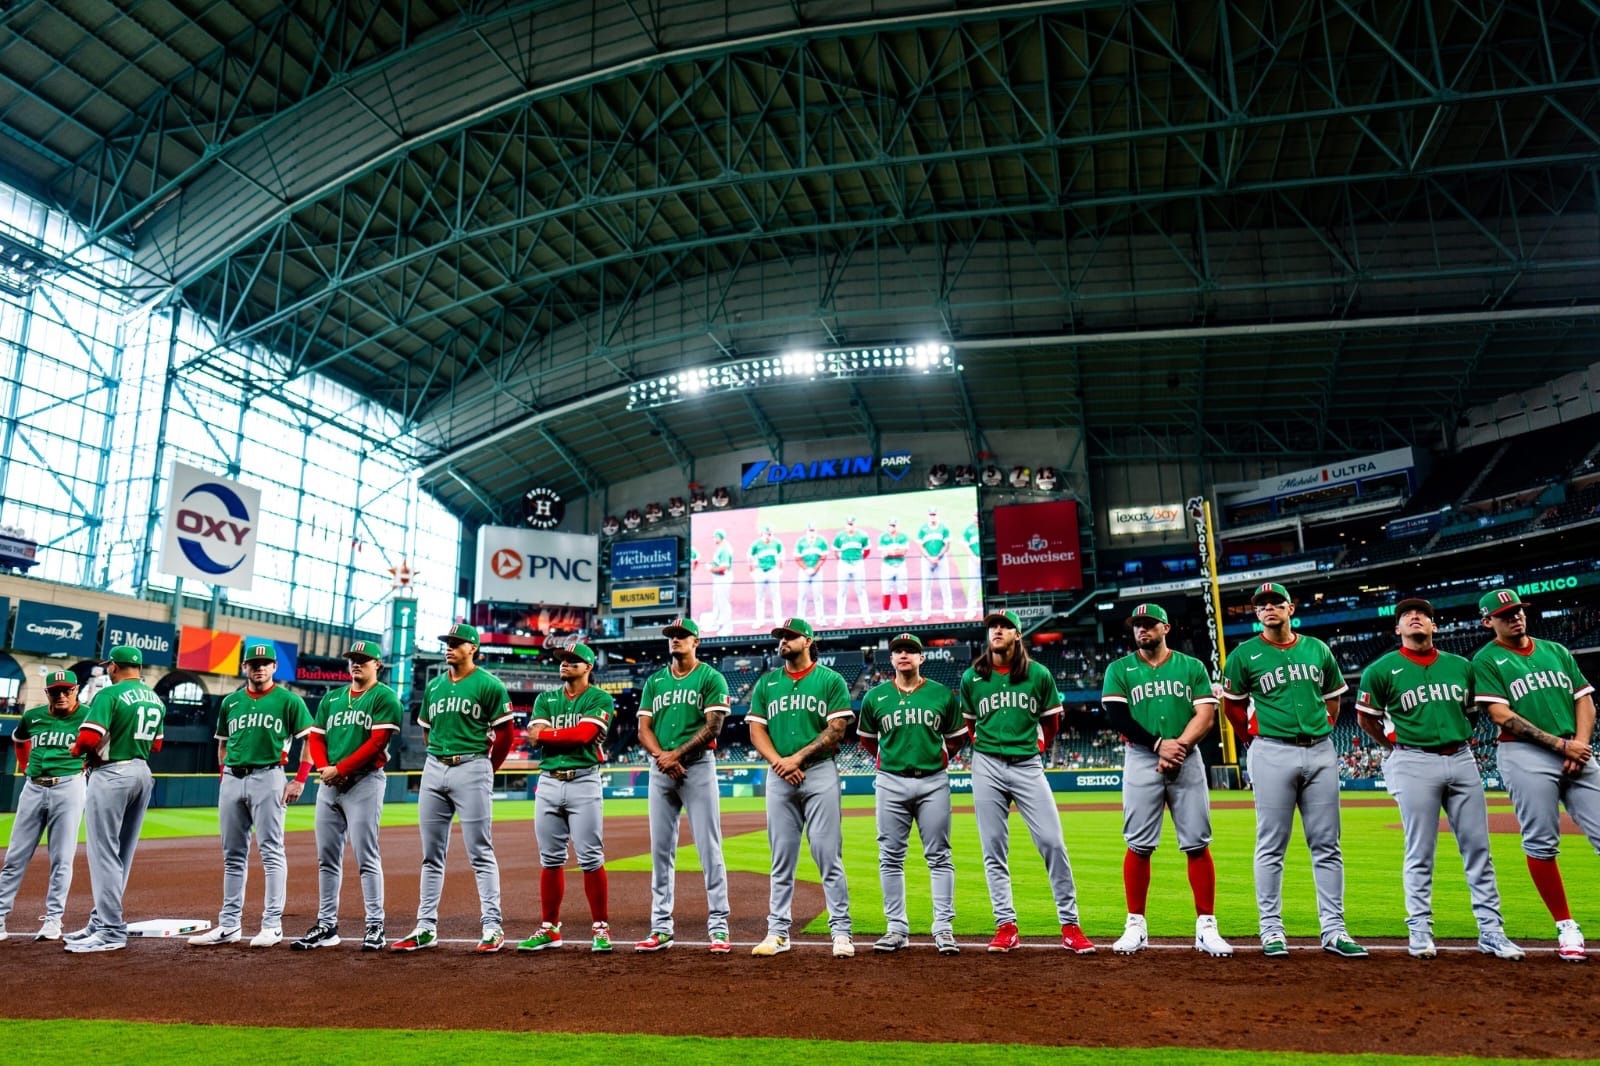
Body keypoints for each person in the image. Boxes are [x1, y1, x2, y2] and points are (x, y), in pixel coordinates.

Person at [1355, 598, 1523, 960]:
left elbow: (1471, 714)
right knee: (1420, 850)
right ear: (1398, 628)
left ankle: (1492, 931)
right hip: (1412, 758)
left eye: (1424, 615)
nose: (1415, 617)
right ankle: (1419, 930)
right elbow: (1366, 718)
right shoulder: (1380, 670)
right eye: (1407, 615)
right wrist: (1393, 748)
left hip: (1461, 757)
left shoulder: (1461, 666)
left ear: (1435, 626)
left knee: (1478, 849)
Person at [1221, 582, 1364, 958]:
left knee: (1327, 844)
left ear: (1290, 608)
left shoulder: (1317, 649)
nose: (1269, 608)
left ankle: (1334, 930)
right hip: (1271, 749)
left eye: (1276, 603)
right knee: (1271, 844)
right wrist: (1253, 742)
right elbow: (1233, 706)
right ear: (1257, 614)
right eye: (1262, 605)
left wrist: (1324, 727)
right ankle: (1271, 930)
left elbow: (1333, 699)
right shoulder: (1244, 654)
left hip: (1320, 749)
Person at [1471, 588, 1598, 962]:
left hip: (1576, 747)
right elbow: (1501, 716)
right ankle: (1566, 926)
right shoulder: (1486, 659)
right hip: (1524, 753)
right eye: (1505, 614)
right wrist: (1561, 747)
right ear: (1488, 621)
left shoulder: (1555, 650)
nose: (1515, 617)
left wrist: (1579, 744)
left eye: (1518, 611)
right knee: (1542, 842)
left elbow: (1584, 700)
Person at [1100, 603, 1232, 957]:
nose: (1142, 630)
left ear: (1166, 628)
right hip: (1141, 757)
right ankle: (1135, 925)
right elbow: (1118, 716)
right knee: (1138, 844)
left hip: (1187, 757)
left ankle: (1206, 926)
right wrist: (1160, 745)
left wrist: (1179, 747)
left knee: (1197, 842)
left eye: (1149, 624)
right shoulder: (1119, 669)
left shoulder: (1191, 666)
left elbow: (1206, 714)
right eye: (1137, 625)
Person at [962, 610, 1093, 954]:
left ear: (1018, 635)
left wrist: (1035, 746)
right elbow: (971, 726)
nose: (997, 630)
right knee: (993, 848)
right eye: (993, 626)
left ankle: (1070, 925)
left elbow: (1051, 722)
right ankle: (1006, 926)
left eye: (1005, 626)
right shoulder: (972, 677)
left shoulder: (1038, 674)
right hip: (987, 764)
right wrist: (987, 748)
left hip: (1027, 764)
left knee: (1052, 842)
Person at [393, 623, 515, 953]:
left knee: (480, 851)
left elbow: (506, 735)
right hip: (435, 767)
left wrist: (488, 768)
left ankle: (492, 926)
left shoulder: (489, 684)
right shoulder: (434, 686)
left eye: (457, 642)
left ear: (472, 648)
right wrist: (438, 756)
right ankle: (425, 927)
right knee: (431, 854)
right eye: (447, 642)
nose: (449, 646)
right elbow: (427, 732)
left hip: (472, 765)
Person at [189, 643, 312, 949]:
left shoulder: (289, 700)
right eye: (254, 664)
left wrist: (300, 780)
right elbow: (223, 743)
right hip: (233, 777)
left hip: (269, 776)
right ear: (244, 667)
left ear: (274, 667)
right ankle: (229, 925)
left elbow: (310, 740)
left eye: (265, 663)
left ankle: (272, 925)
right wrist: (224, 777)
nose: (260, 668)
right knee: (232, 855)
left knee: (271, 852)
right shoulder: (231, 702)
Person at [747, 617, 855, 958]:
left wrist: (797, 758)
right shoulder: (767, 683)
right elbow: (756, 730)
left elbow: (837, 729)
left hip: (819, 772)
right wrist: (780, 762)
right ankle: (778, 932)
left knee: (827, 855)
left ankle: (841, 932)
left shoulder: (830, 680)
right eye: (781, 636)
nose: (783, 641)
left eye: (790, 636)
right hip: (779, 775)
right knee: (781, 858)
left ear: (808, 641)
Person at [857, 632, 966, 955]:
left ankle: (943, 928)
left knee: (939, 856)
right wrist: (890, 760)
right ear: (891, 659)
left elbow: (956, 738)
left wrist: (938, 757)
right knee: (890, 857)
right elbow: (867, 740)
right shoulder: (875, 697)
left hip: (933, 781)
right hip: (890, 781)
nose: (904, 655)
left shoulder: (941, 694)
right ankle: (896, 929)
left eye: (910, 651)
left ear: (921, 658)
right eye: (898, 651)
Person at [292, 638, 404, 952]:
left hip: (364, 782)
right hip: (329, 785)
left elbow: (377, 742)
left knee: (366, 856)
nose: (356, 663)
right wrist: (325, 768)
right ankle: (326, 926)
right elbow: (317, 737)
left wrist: (339, 769)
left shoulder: (385, 697)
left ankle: (375, 925)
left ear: (377, 664)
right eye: (353, 659)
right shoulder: (332, 698)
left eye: (363, 659)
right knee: (326, 858)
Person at [634, 618, 732, 953]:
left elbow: (714, 726)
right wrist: (662, 757)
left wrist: (675, 755)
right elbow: (643, 728)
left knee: (709, 848)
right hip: (661, 769)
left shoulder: (710, 677)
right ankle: (661, 927)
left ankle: (719, 926)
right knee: (661, 851)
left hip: (697, 767)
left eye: (682, 635)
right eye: (672, 636)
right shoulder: (655, 681)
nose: (675, 639)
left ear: (696, 642)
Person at [62, 645, 166, 953]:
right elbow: (157, 746)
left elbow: (88, 738)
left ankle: (110, 930)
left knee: (104, 853)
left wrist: (75, 750)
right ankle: (100, 921)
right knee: (121, 854)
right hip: (142, 773)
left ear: (113, 667)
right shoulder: (155, 698)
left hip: (112, 774)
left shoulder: (108, 694)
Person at [519, 642, 617, 953]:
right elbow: (533, 738)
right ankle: (549, 929)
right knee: (550, 859)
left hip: (584, 781)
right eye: (563, 659)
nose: (565, 663)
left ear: (588, 667)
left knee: (591, 858)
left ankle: (600, 928)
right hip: (548, 781)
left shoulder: (599, 698)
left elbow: (583, 736)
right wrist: (559, 736)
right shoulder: (545, 698)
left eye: (573, 660)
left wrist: (548, 735)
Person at [0, 669, 88, 942]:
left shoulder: (88, 716)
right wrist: (25, 765)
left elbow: (103, 744)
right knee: (14, 857)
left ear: (76, 690)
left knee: (62, 857)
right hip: (34, 787)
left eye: (67, 690)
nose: (61, 695)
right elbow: (19, 740)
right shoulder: (32, 716)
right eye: (55, 691)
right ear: (47, 693)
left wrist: (88, 763)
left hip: (68, 786)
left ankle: (53, 919)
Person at [832, 516, 873, 625]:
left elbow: (867, 550)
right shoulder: (839, 536)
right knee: (842, 591)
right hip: (844, 564)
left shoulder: (862, 536)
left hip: (858, 564)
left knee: (861, 590)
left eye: (852, 524)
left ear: (855, 524)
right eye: (848, 524)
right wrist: (842, 559)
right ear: (846, 524)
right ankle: (840, 618)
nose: (850, 526)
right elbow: (836, 551)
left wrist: (860, 559)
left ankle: (866, 616)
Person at [916, 507, 954, 620]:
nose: (932, 517)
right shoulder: (922, 529)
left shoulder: (944, 529)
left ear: (937, 515)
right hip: (926, 560)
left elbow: (947, 546)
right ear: (928, 516)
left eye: (934, 514)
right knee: (926, 585)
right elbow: (920, 546)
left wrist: (938, 557)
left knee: (945, 584)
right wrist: (929, 558)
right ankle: (926, 611)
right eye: (931, 514)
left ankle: (948, 609)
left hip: (941, 559)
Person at [747, 525, 785, 630]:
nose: (768, 536)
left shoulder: (777, 543)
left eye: (770, 534)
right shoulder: (756, 544)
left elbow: (781, 556)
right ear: (762, 534)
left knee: (775, 596)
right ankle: (759, 620)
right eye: (766, 534)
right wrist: (751, 571)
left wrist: (780, 569)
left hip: (773, 571)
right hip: (760, 571)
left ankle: (778, 620)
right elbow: (749, 556)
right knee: (760, 597)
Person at [793, 521, 830, 624]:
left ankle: (820, 618)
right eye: (810, 531)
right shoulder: (800, 542)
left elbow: (823, 557)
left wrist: (815, 569)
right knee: (802, 596)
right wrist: (806, 569)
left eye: (813, 531)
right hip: (803, 572)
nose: (812, 533)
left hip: (817, 572)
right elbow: (797, 558)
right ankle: (800, 620)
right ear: (807, 531)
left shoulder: (821, 541)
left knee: (818, 596)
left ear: (816, 531)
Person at [878, 518, 911, 620]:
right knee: (886, 591)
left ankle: (905, 612)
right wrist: (896, 551)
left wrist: (890, 552)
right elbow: (883, 553)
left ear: (897, 526)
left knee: (903, 590)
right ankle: (885, 613)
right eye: (890, 525)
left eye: (894, 525)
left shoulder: (903, 537)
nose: (892, 527)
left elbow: (903, 552)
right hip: (887, 567)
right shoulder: (883, 537)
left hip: (900, 566)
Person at [707, 529, 734, 634]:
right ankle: (716, 624)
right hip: (718, 578)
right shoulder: (720, 547)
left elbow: (724, 567)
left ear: (720, 537)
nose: (714, 539)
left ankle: (728, 627)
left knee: (723, 603)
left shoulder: (725, 549)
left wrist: (711, 569)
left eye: (715, 537)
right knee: (717, 602)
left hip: (723, 579)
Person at [960, 512, 982, 612]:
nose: (977, 517)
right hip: (974, 561)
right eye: (975, 515)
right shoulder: (968, 530)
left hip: (986, 560)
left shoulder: (986, 527)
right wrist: (974, 558)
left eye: (978, 515)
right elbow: (964, 545)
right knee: (973, 585)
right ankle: (971, 610)